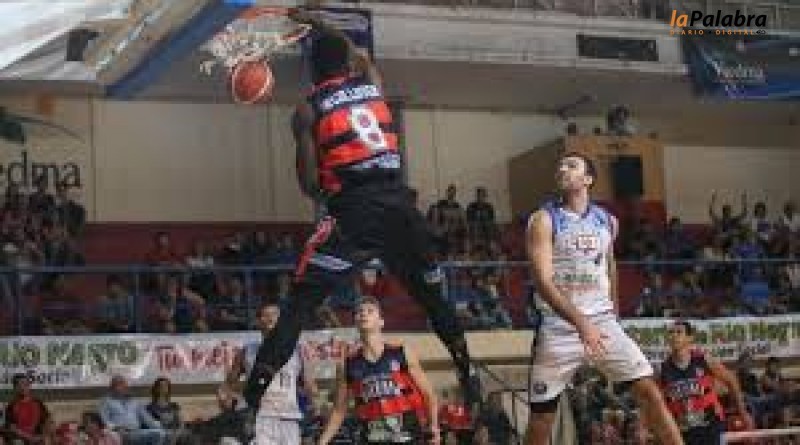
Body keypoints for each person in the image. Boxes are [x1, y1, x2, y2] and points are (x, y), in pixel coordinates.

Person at [243, 8, 481, 415]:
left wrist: (332, 185)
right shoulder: (371, 83)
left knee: (299, 304)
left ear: (312, 71)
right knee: (431, 296)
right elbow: (362, 54)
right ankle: (466, 371)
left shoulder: (307, 110)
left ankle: (254, 393)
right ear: (347, 64)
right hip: (398, 205)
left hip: (353, 210)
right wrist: (319, 22)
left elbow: (308, 185)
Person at [524, 152, 684, 445]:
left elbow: (609, 266)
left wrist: (614, 315)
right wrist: (581, 323)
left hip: (603, 322)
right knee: (541, 419)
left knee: (649, 392)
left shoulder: (607, 221)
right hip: (558, 327)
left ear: (588, 179)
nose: (563, 169)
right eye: (560, 165)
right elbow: (543, 282)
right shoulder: (543, 220)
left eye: (571, 165)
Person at [317, 297, 440, 444]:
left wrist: (434, 427)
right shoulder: (347, 363)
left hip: (408, 433)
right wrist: (321, 442)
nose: (363, 314)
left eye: (370, 311)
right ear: (355, 322)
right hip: (372, 436)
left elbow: (429, 394)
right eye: (359, 312)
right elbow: (339, 410)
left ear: (381, 322)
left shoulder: (401, 351)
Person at [225, 301, 318, 445]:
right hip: (259, 416)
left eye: (275, 315)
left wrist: (312, 401)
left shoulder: (298, 350)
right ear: (258, 321)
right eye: (266, 315)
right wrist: (242, 391)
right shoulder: (247, 351)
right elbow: (229, 384)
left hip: (289, 416)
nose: (271, 318)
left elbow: (311, 386)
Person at [658, 321, 753, 444]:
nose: (674, 336)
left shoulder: (704, 360)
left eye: (679, 332)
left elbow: (732, 381)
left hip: (710, 425)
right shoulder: (663, 369)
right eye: (671, 332)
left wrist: (743, 413)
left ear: (689, 338)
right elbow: (654, 401)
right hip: (682, 429)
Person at [3, 374, 51, 444]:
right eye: (19, 385)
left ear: (29, 386)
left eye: (25, 384)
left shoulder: (38, 403)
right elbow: (12, 428)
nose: (23, 388)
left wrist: (43, 435)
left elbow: (48, 420)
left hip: (37, 438)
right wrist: (29, 438)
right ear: (15, 388)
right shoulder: (11, 406)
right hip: (20, 439)